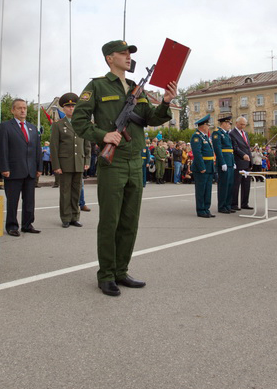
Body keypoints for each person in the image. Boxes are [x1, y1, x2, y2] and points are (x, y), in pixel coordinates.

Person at [72, 39, 176, 297]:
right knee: (110, 221)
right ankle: (106, 275)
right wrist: (103, 136)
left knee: (130, 221)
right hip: (113, 162)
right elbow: (79, 120)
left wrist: (165, 102)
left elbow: (150, 119)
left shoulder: (135, 89)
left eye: (130, 53)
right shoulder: (96, 86)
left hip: (135, 161)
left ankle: (121, 271)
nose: (128, 57)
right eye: (123, 53)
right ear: (110, 58)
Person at [0, 98, 42, 236]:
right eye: (19, 108)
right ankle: (12, 226)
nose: (23, 110)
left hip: (30, 170)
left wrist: (39, 167)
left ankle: (27, 224)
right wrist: (4, 168)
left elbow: (37, 149)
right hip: (13, 170)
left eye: (25, 108)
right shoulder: (5, 126)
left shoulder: (32, 128)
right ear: (13, 110)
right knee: (12, 200)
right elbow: (1, 149)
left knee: (29, 201)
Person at [50, 92, 90, 228]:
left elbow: (86, 144)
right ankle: (66, 217)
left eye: (73, 106)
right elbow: (54, 147)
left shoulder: (82, 124)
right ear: (63, 108)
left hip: (79, 162)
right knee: (65, 192)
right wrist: (56, 165)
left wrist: (87, 161)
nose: (71, 109)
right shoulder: (58, 125)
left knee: (76, 191)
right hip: (65, 163)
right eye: (68, 107)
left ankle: (75, 216)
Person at [191, 115, 215, 218]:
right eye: (207, 125)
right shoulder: (196, 136)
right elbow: (197, 153)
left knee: (208, 189)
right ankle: (201, 210)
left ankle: (206, 208)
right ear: (203, 125)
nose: (208, 127)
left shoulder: (204, 136)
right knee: (201, 189)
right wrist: (201, 167)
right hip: (202, 167)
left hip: (209, 166)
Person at [212, 115, 235, 214]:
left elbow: (231, 150)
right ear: (223, 123)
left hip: (229, 162)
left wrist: (233, 162)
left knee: (230, 185)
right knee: (223, 185)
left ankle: (228, 205)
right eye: (228, 123)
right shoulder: (217, 133)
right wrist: (222, 162)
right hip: (224, 163)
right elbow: (218, 149)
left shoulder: (226, 134)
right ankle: (222, 206)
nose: (230, 125)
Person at [230, 116, 253, 210]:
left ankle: (245, 203)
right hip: (239, 161)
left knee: (246, 184)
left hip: (247, 162)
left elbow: (247, 147)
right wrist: (243, 155)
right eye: (241, 124)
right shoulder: (232, 134)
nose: (243, 126)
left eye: (244, 124)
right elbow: (235, 147)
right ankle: (234, 203)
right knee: (236, 184)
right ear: (236, 123)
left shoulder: (245, 133)